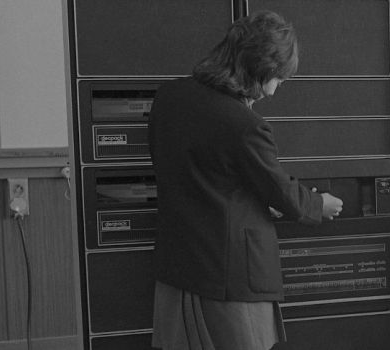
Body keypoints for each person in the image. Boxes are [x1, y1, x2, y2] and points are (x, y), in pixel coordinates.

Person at [147, 11, 344, 350]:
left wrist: (256, 200)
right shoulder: (244, 124)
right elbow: (282, 192)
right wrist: (319, 204)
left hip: (178, 266)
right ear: (260, 68)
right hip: (229, 278)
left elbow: (205, 175)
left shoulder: (168, 97)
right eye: (279, 78)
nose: (276, 89)